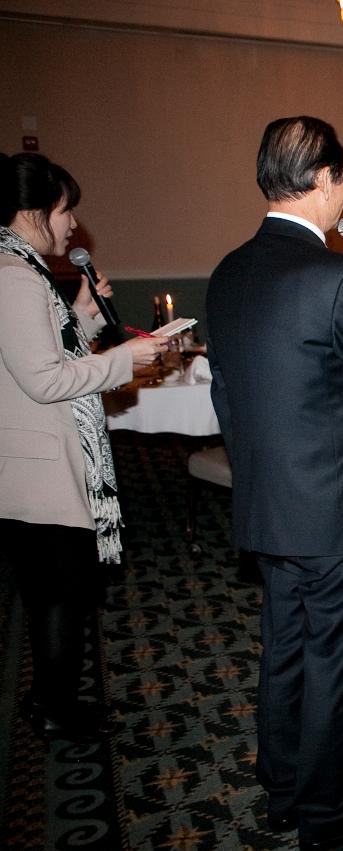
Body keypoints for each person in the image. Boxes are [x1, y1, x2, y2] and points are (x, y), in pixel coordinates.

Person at [205, 116, 343, 850]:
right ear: (324, 180)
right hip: (341, 515)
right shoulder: (338, 279)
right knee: (341, 666)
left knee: (288, 648)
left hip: (268, 503)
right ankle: (331, 811)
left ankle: (285, 784)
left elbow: (227, 396)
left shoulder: (230, 270)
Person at [0, 152, 169, 743]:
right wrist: (126, 358)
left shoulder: (24, 269)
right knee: (59, 595)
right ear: (34, 210)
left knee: (60, 591)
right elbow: (45, 379)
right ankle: (53, 708)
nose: (73, 225)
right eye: (66, 211)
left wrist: (83, 317)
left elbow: (47, 356)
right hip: (37, 470)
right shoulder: (13, 274)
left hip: (42, 460)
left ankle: (49, 696)